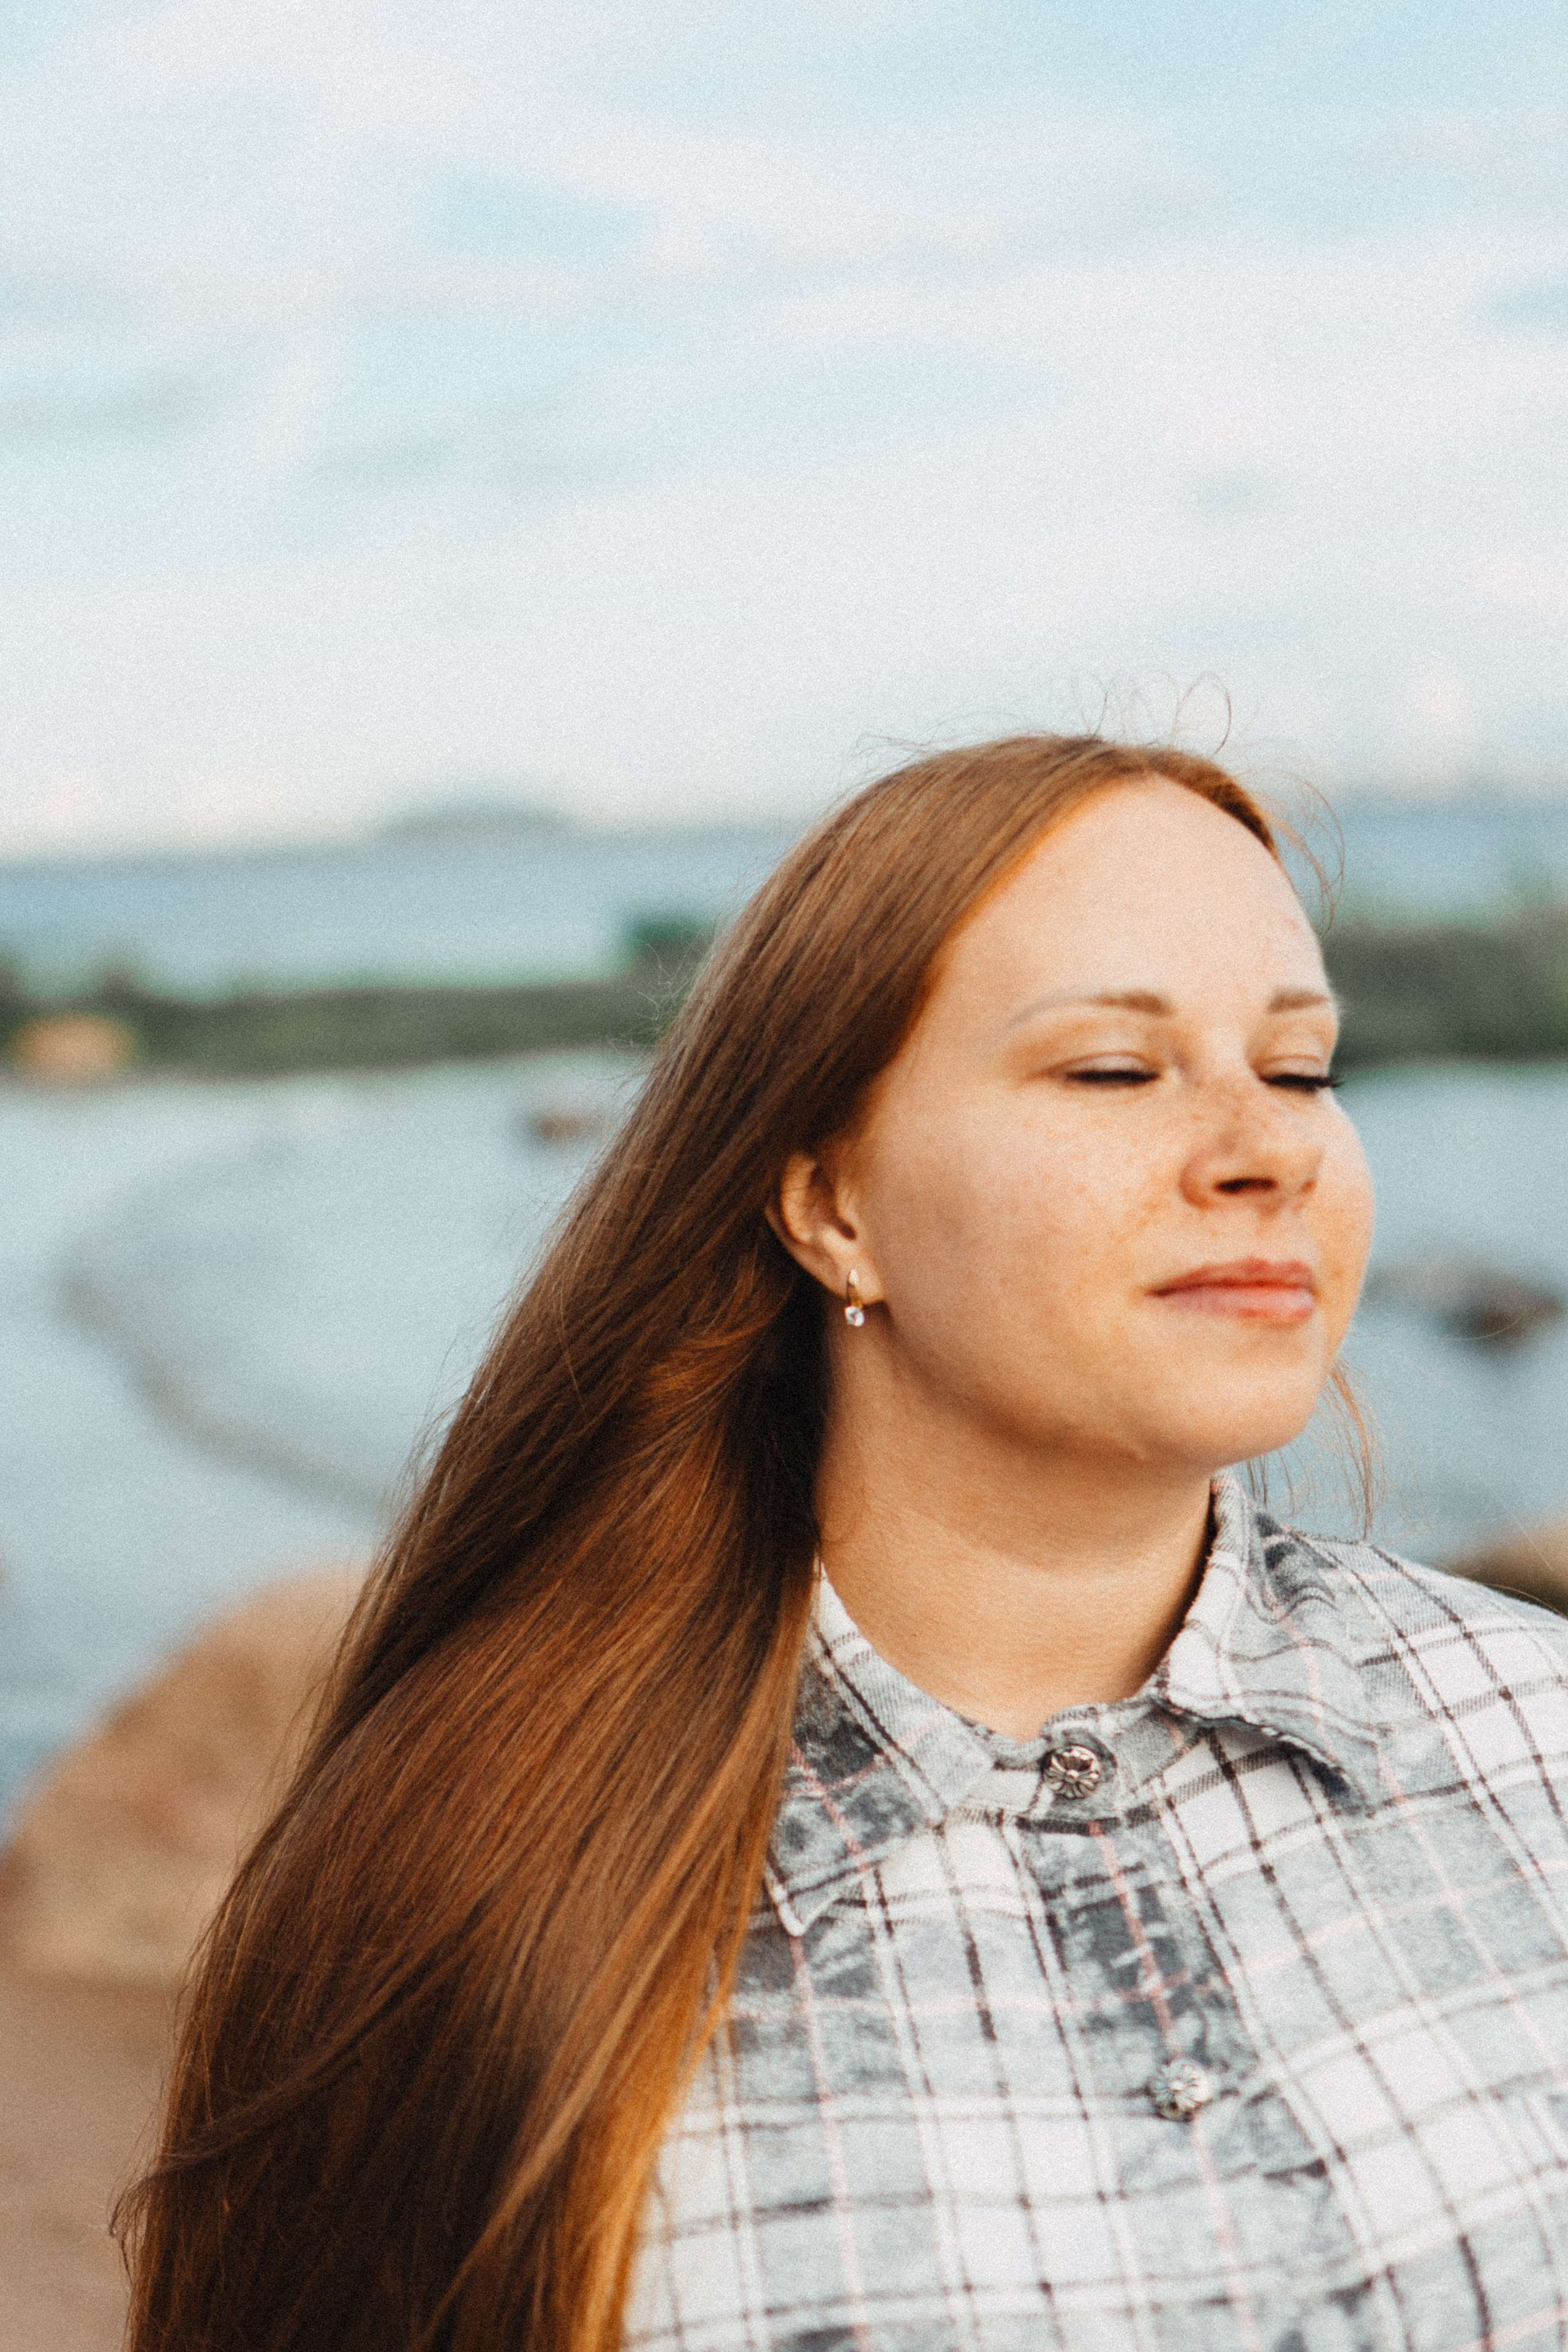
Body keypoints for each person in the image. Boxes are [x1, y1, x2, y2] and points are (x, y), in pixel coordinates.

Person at [121, 735, 1568, 2352]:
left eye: (1303, 1067)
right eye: (1112, 1069)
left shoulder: (1537, 1733)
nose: (1271, 1146)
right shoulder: (483, 1885)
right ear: (831, 1205)